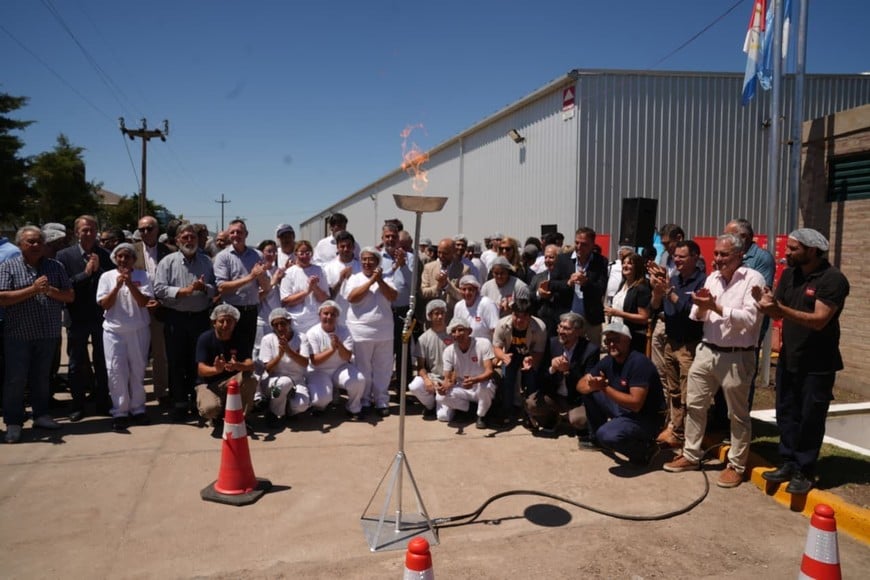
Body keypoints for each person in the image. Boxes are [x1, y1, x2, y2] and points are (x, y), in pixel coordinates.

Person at [663, 233, 765, 488]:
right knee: (695, 404)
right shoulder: (713, 278)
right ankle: (691, 454)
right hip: (707, 350)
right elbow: (698, 316)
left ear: (739, 255)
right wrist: (701, 305)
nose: (717, 259)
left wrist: (716, 307)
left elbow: (750, 320)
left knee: (737, 414)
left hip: (737, 355)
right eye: (716, 254)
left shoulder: (753, 279)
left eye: (723, 254)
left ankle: (736, 465)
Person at [753, 229, 849, 495]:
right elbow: (777, 306)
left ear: (812, 251)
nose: (787, 252)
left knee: (810, 418)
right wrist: (764, 302)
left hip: (818, 364)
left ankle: (804, 471)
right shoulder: (790, 275)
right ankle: (787, 461)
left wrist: (779, 310)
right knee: (786, 413)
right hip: (789, 357)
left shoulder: (833, 279)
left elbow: (820, 320)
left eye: (794, 249)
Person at [0, 227, 73, 443]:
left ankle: (41, 415)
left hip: (47, 333)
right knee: (15, 379)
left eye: (39, 242)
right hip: (18, 335)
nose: (35, 245)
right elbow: (2, 297)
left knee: (42, 378)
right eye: (30, 242)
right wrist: (32, 290)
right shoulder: (8, 267)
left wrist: (50, 291)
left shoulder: (55, 266)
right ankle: (14, 421)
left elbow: (69, 296)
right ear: (20, 244)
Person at [153, 223, 217, 422]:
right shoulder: (167, 262)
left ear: (198, 241)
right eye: (185, 237)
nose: (189, 241)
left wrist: (204, 287)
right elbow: (159, 289)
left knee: (196, 362)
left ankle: (197, 402)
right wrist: (183, 291)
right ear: (178, 240)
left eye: (193, 238)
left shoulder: (206, 261)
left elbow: (216, 289)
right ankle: (179, 404)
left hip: (199, 318)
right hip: (176, 318)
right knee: (176, 361)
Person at [577, 322, 665, 466]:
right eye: (608, 341)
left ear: (628, 340)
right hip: (624, 410)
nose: (611, 344)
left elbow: (636, 404)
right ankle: (596, 439)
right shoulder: (608, 361)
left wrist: (604, 387)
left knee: (607, 434)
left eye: (616, 340)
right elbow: (580, 385)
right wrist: (592, 384)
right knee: (590, 391)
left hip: (645, 418)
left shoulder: (639, 363)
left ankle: (644, 451)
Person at [647, 240, 706, 449]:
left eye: (682, 256)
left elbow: (690, 312)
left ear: (695, 257)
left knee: (689, 392)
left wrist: (668, 292)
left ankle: (688, 437)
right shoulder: (674, 280)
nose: (677, 260)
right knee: (673, 391)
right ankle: (676, 429)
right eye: (675, 257)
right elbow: (654, 307)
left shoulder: (702, 282)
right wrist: (657, 290)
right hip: (670, 342)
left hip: (690, 345)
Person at [56, 215, 114, 421]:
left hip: (100, 317)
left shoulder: (105, 255)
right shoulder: (64, 256)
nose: (88, 233)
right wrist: (86, 273)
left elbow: (112, 282)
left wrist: (99, 271)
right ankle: (77, 404)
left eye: (91, 229)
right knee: (76, 363)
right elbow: (63, 285)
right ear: (76, 232)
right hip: (76, 316)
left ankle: (102, 402)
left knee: (102, 361)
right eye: (84, 230)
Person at [96, 243, 153, 431]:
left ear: (133, 260)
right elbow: (104, 304)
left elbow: (145, 302)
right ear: (115, 258)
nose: (123, 260)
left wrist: (129, 283)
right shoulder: (106, 277)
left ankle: (138, 408)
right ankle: (120, 411)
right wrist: (118, 286)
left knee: (137, 370)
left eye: (127, 256)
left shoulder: (143, 276)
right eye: (120, 256)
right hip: (114, 331)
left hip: (138, 330)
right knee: (116, 371)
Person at [525, 312, 600, 437]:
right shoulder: (552, 343)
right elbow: (540, 378)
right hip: (556, 396)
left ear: (578, 331)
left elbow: (588, 384)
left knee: (578, 420)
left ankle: (574, 421)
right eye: (560, 327)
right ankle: (552, 419)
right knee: (531, 404)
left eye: (566, 328)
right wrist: (552, 369)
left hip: (576, 399)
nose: (561, 331)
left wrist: (568, 370)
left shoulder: (590, 350)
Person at [343, 248, 398, 416]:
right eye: (364, 259)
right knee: (363, 368)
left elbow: (393, 296)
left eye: (371, 260)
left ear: (377, 262)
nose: (367, 262)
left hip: (384, 332)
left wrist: (380, 281)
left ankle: (381, 400)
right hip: (360, 332)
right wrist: (372, 280)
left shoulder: (387, 278)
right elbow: (352, 297)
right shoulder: (354, 278)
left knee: (383, 368)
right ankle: (364, 399)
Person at [195, 304, 258, 437]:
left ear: (235, 323)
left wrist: (238, 366)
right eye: (221, 321)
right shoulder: (205, 338)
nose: (225, 325)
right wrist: (216, 369)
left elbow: (250, 364)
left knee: (250, 378)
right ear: (214, 322)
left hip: (231, 381)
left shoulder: (240, 338)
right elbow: (201, 369)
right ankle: (218, 415)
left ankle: (242, 418)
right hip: (209, 384)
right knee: (209, 409)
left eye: (229, 321)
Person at [300, 301, 366, 419]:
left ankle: (354, 408)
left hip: (340, 368)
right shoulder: (312, 333)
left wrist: (339, 344)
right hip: (318, 371)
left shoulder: (344, 330)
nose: (329, 317)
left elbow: (347, 357)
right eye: (326, 313)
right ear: (319, 314)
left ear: (337, 317)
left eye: (333, 314)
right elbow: (315, 361)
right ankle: (321, 405)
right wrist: (332, 349)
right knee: (320, 400)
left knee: (359, 380)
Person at [214, 219, 269, 352]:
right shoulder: (223, 257)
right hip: (230, 313)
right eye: (232, 232)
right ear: (228, 235)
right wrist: (250, 277)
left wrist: (260, 275)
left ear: (246, 234)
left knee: (247, 352)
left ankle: (246, 373)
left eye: (239, 232)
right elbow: (221, 287)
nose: (235, 235)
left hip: (250, 311)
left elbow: (266, 287)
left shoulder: (257, 255)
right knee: (229, 351)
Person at [133, 215, 172, 405]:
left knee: (160, 354)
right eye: (142, 229)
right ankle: (136, 393)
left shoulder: (170, 252)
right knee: (136, 354)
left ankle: (161, 392)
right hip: (135, 310)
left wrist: (161, 302)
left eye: (149, 228)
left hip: (160, 309)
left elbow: (174, 282)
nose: (145, 232)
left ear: (157, 230)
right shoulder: (130, 252)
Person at [492, 298, 547, 426]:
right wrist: (503, 357)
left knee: (531, 382)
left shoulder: (540, 327)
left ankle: (530, 414)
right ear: (512, 314)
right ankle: (507, 411)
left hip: (529, 356)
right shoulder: (502, 324)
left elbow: (539, 351)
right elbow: (496, 347)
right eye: (516, 315)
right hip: (510, 355)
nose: (519, 320)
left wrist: (531, 360)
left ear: (530, 316)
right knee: (507, 381)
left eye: (524, 316)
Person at [438, 316, 497, 429]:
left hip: (481, 384)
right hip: (463, 386)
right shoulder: (448, 351)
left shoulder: (483, 343)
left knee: (486, 386)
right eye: (454, 331)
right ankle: (471, 410)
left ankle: (481, 416)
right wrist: (443, 388)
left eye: (461, 330)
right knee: (440, 398)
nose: (457, 334)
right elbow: (448, 378)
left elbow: (489, 371)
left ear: (469, 331)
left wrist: (474, 380)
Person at [258, 308, 310, 420]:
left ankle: (287, 408)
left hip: (297, 379)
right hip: (273, 381)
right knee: (283, 384)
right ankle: (275, 414)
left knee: (301, 405)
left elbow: (305, 363)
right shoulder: (267, 339)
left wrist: (289, 351)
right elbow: (268, 369)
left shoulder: (301, 338)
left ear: (289, 322)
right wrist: (280, 355)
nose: (280, 328)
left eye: (282, 323)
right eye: (275, 325)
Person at [562, 227, 608, 347]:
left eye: (584, 244)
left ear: (593, 245)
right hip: (569, 314)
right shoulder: (564, 260)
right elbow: (554, 284)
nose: (579, 247)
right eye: (577, 243)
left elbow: (601, 288)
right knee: (569, 350)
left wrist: (586, 282)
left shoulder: (601, 262)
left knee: (592, 351)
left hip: (592, 317)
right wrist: (568, 283)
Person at [407, 299, 451, 421]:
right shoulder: (423, 339)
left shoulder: (453, 334)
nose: (440, 316)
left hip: (450, 380)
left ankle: (443, 404)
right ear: (429, 316)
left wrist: (448, 381)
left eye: (442, 313)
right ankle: (430, 405)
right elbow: (421, 366)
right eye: (436, 313)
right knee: (415, 385)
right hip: (433, 378)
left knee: (443, 417)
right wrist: (426, 380)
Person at [604, 252, 651, 353]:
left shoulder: (641, 288)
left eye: (629, 263)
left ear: (637, 266)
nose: (625, 266)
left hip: (632, 337)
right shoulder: (623, 284)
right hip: (615, 333)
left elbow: (643, 318)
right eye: (623, 263)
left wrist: (618, 313)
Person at [280, 239, 330, 334]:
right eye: (301, 253)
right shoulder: (289, 273)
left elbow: (325, 298)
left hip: (315, 321)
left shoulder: (319, 270)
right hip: (296, 323)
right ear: (296, 254)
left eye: (308, 253)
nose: (305, 256)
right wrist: (307, 291)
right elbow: (286, 301)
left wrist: (315, 288)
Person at [420, 238, 470, 321]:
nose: (441, 256)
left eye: (445, 253)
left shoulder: (463, 270)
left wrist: (447, 286)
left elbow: (464, 296)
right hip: (432, 321)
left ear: (454, 252)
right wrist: (438, 286)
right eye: (439, 252)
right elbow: (423, 293)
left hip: (452, 319)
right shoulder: (429, 268)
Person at [529, 244, 573, 336]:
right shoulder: (537, 277)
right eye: (546, 257)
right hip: (542, 325)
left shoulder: (567, 278)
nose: (547, 260)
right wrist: (539, 294)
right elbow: (529, 296)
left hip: (563, 324)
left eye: (551, 257)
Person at [322, 231, 360, 325]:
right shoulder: (328, 268)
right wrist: (340, 281)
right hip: (337, 320)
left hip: (357, 317)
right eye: (342, 246)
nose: (346, 249)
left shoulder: (361, 267)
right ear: (337, 248)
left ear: (353, 247)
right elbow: (327, 297)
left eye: (349, 246)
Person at [453, 275, 499, 340]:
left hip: (484, 347)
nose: (467, 292)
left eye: (470, 289)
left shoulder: (487, 303)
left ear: (476, 290)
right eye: (464, 289)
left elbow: (495, 331)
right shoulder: (458, 306)